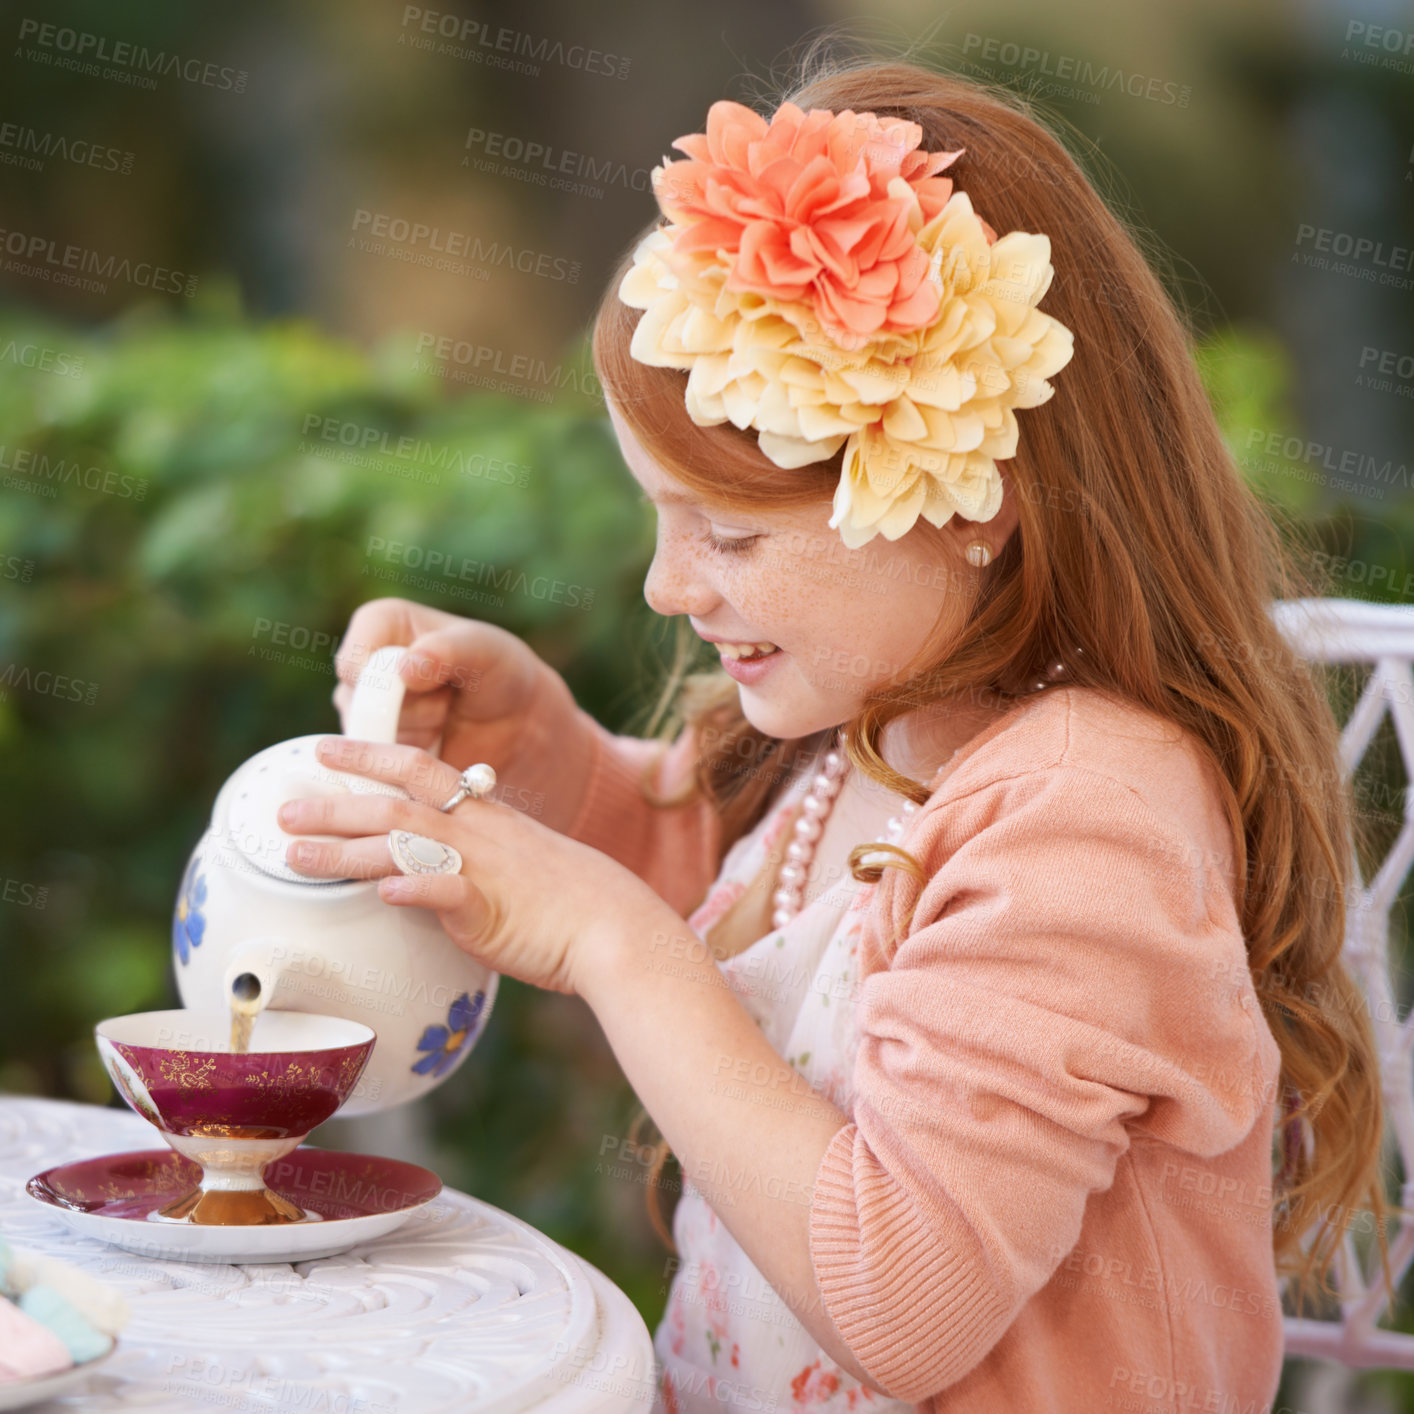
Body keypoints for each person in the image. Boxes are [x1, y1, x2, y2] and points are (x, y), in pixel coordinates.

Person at [278, 50, 1392, 1414]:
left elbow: (898, 1298)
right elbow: (736, 898)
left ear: (971, 493)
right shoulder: (858, 724)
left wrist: (604, 940)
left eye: (730, 531)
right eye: (658, 516)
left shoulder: (1083, 816)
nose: (667, 587)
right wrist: (554, 758)